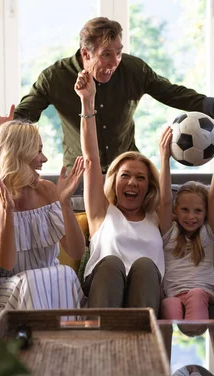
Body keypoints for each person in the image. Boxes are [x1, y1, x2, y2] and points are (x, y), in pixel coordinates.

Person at [0, 17, 214, 172]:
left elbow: (172, 93)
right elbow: (28, 114)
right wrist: (8, 127)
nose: (114, 62)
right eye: (106, 55)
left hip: (127, 169)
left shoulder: (134, 69)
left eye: (119, 52)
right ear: (86, 53)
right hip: (80, 172)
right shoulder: (55, 76)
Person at [0, 120, 86, 315]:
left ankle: (65, 344)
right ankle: (40, 345)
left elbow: (77, 252)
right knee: (33, 280)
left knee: (65, 273)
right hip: (11, 290)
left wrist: (64, 203)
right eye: (37, 151)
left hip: (54, 285)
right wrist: (6, 211)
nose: (44, 159)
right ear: (17, 155)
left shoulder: (47, 190)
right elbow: (6, 262)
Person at [74, 68, 164, 315]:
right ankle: (101, 345)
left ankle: (143, 347)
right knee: (112, 263)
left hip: (147, 292)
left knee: (145, 266)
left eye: (141, 178)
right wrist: (87, 101)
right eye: (125, 175)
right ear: (114, 181)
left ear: (149, 187)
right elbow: (91, 159)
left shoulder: (157, 216)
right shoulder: (102, 212)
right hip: (104, 285)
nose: (133, 182)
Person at [158, 122, 214, 321]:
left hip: (203, 292)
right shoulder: (169, 233)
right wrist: (164, 158)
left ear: (205, 213)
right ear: (175, 211)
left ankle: (196, 331)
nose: (191, 216)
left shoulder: (208, 234)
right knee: (168, 303)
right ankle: (172, 350)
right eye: (185, 210)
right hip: (172, 295)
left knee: (196, 294)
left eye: (198, 211)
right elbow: (164, 200)